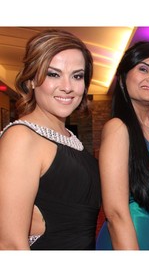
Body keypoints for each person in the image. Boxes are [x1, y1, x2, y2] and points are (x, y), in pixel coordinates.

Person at [0, 29, 101, 250]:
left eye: (77, 76)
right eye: (53, 74)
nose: (67, 86)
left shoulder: (70, 138)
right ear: (32, 79)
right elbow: (10, 245)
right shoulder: (22, 137)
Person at [96, 41, 149, 250]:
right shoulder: (117, 128)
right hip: (130, 243)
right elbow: (115, 213)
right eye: (143, 69)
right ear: (124, 78)